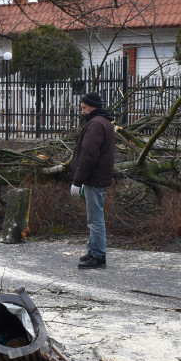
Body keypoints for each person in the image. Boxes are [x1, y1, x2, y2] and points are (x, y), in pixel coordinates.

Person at [70, 92, 117, 269]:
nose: (82, 111)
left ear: (93, 106)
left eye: (84, 108)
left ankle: (97, 256)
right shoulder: (104, 122)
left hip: (94, 178)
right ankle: (93, 250)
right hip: (99, 177)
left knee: (95, 218)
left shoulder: (96, 124)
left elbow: (89, 155)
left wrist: (77, 181)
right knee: (94, 217)